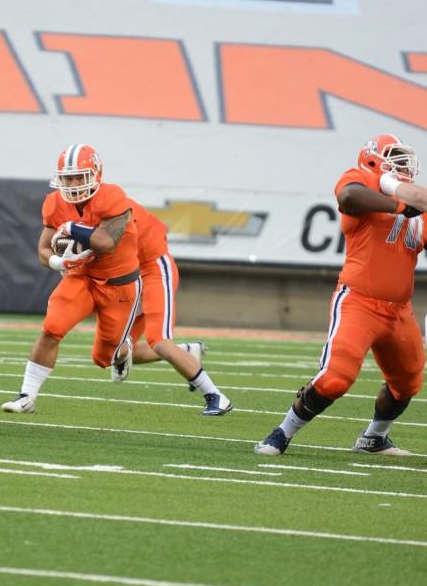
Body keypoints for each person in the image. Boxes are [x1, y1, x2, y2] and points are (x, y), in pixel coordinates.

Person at [255, 133, 425, 457]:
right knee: (335, 379)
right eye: (394, 156)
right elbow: (349, 197)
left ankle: (374, 438)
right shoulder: (360, 178)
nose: (403, 165)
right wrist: (401, 205)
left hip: (400, 309)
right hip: (359, 301)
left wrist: (412, 204)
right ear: (374, 158)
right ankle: (282, 432)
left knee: (408, 383)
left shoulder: (419, 205)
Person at [1, 143, 141, 414]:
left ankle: (123, 351)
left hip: (119, 283)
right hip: (82, 277)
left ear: (96, 174)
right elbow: (43, 248)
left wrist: (71, 227)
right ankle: (26, 396)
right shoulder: (54, 202)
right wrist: (57, 261)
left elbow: (105, 242)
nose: (74, 183)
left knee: (104, 357)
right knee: (51, 328)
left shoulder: (113, 197)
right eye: (68, 177)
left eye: (80, 176)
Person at [117, 198, 233, 416]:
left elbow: (110, 243)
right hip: (131, 278)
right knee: (114, 352)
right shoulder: (74, 208)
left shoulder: (110, 203)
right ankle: (187, 352)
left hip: (153, 270)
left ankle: (216, 396)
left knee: (159, 341)